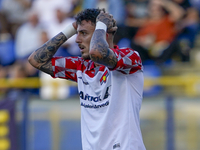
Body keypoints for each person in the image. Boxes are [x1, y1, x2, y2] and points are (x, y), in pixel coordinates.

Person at [28, 8, 146, 150]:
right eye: (77, 34)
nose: (77, 40)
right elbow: (36, 60)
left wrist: (101, 26)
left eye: (83, 33)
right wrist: (71, 29)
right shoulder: (81, 67)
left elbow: (98, 53)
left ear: (104, 34)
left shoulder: (130, 58)